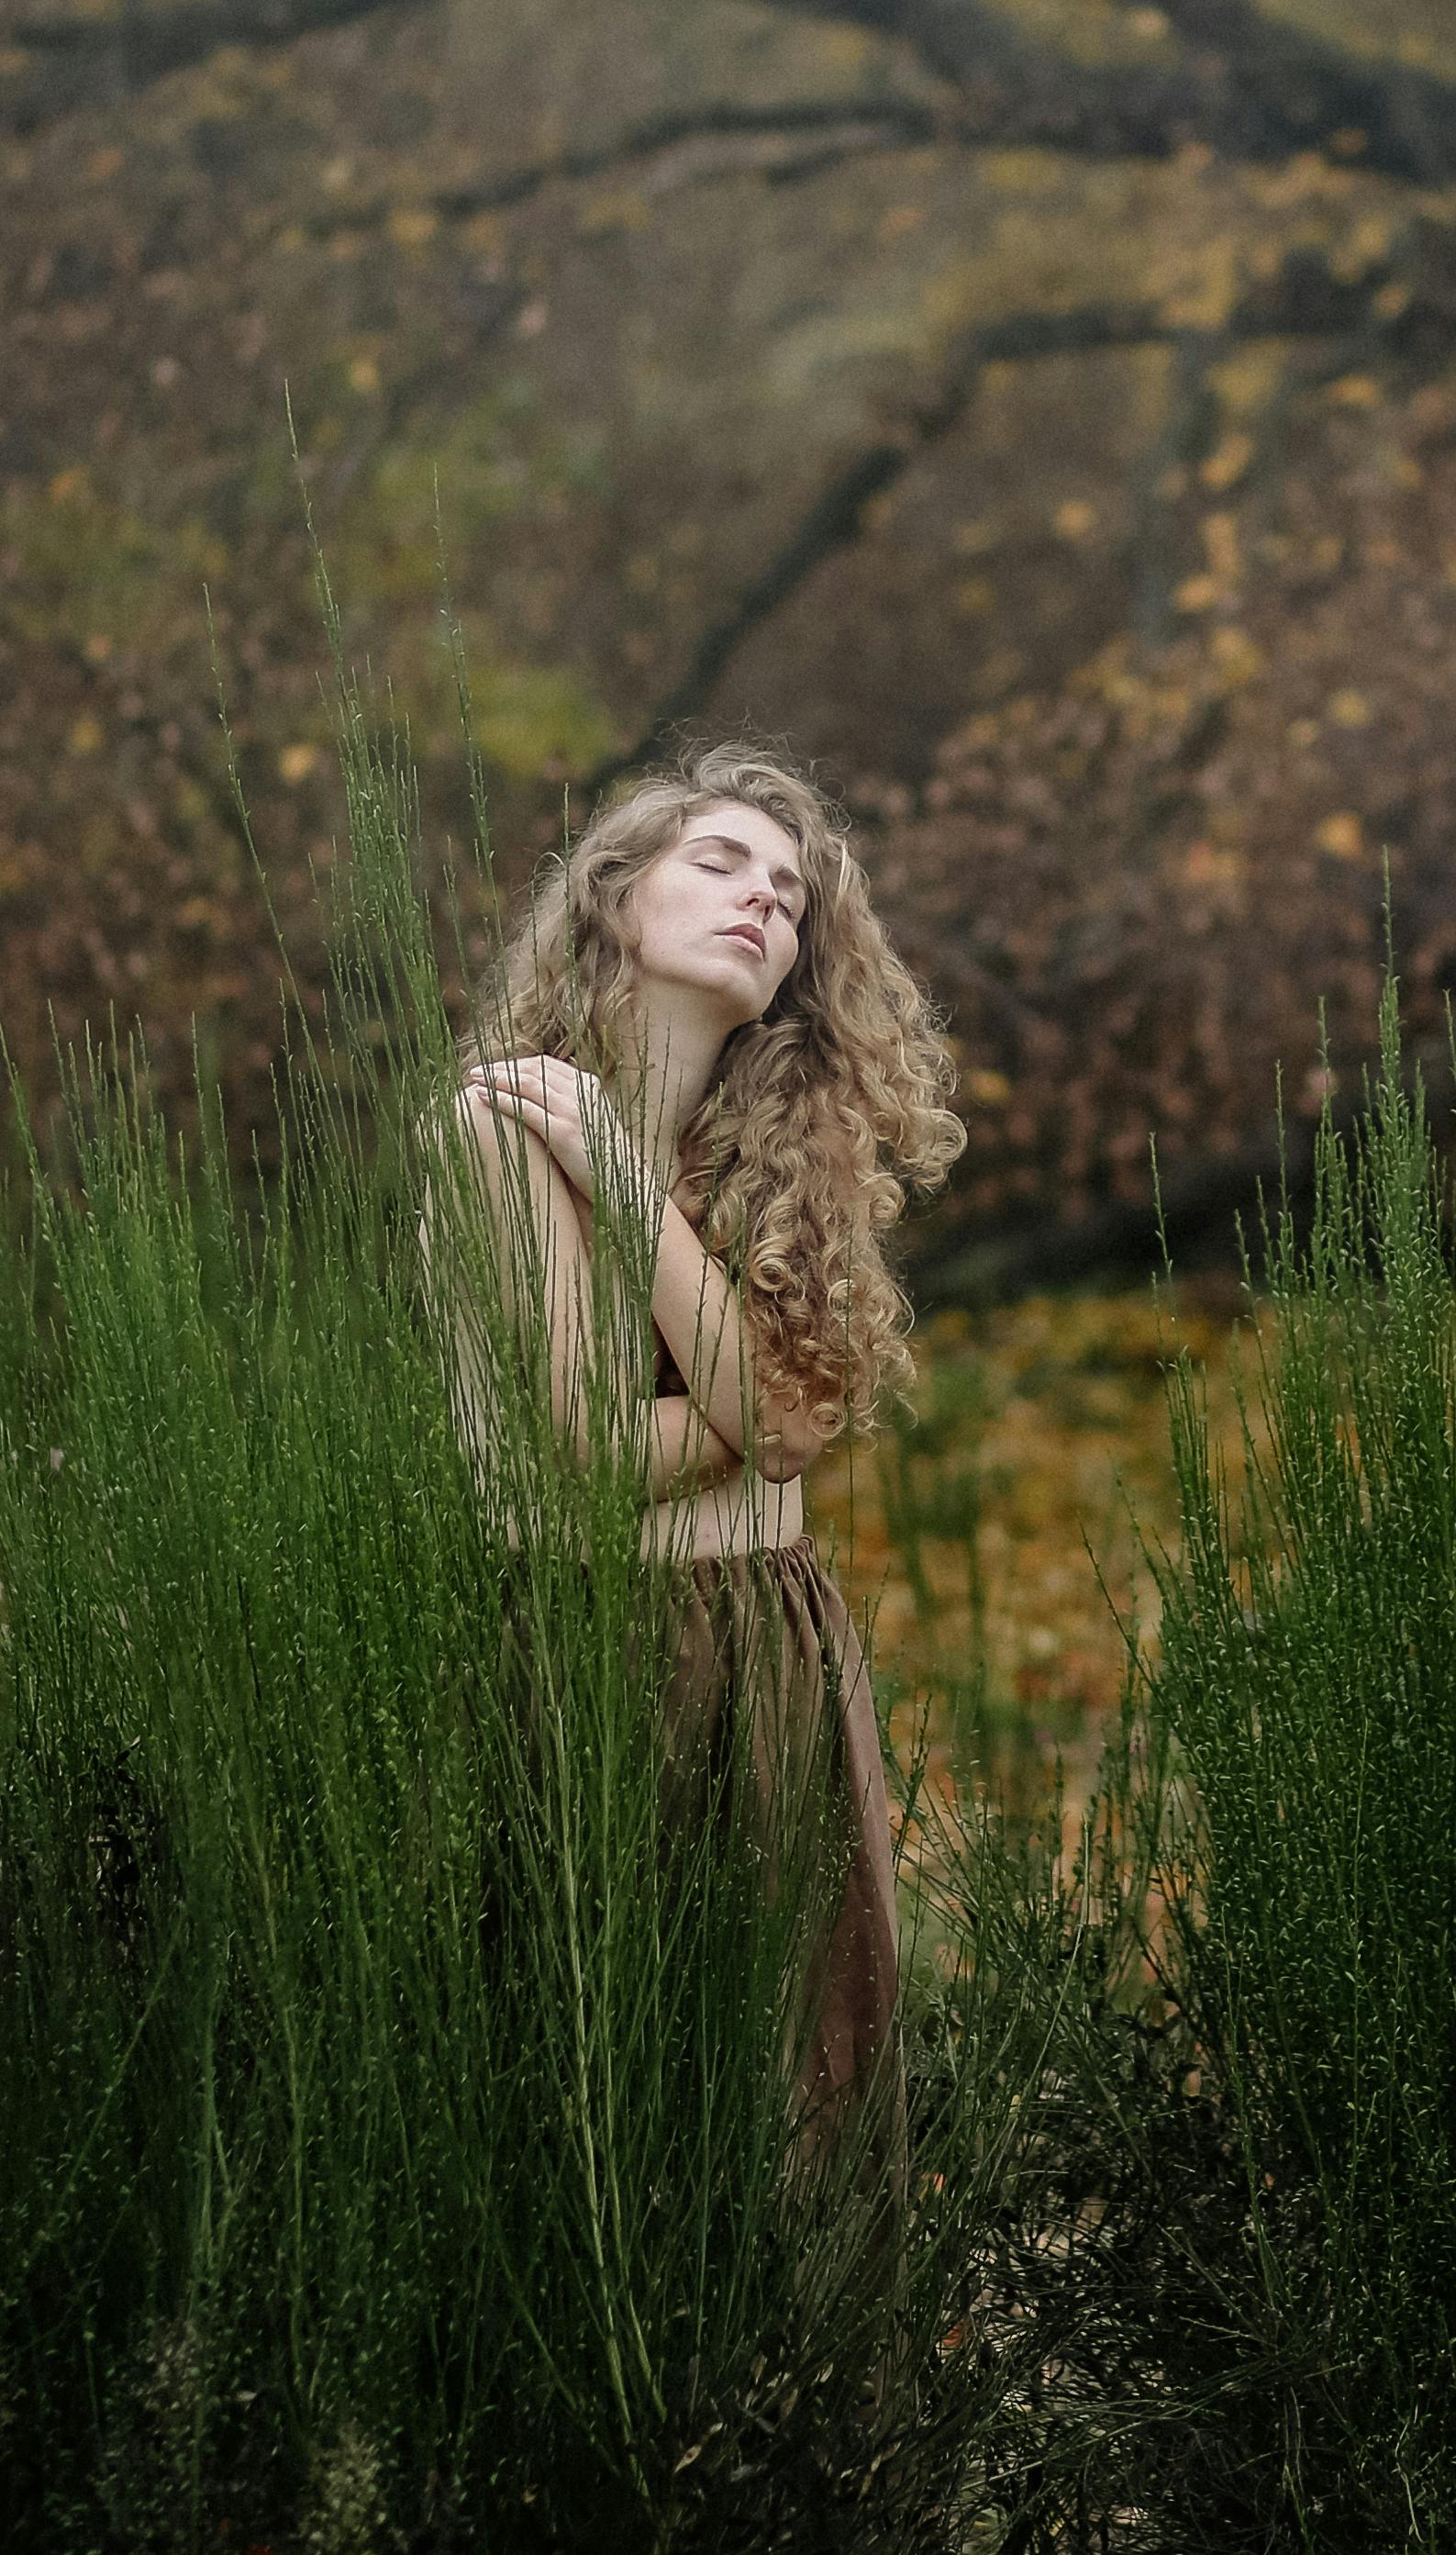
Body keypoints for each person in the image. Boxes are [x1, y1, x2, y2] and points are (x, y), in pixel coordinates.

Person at [443, 742, 963, 2134]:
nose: (763, 903)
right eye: (720, 862)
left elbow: (783, 1423)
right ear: (615, 898)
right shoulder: (506, 1121)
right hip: (594, 1642)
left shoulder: (793, 1158)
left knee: (807, 2080)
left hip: (779, 1632)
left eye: (791, 897)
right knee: (621, 2090)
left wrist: (627, 1186)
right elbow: (581, 1455)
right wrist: (761, 1401)